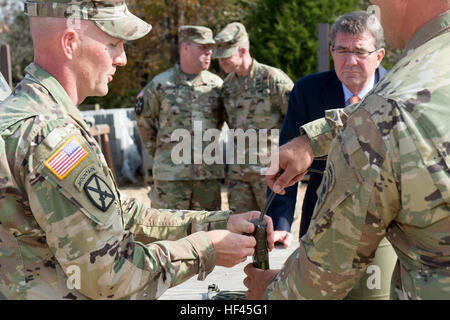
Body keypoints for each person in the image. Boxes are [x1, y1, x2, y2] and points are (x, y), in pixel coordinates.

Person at [0, 0, 275, 300]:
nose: (123, 59)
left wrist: (217, 224)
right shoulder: (52, 138)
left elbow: (118, 214)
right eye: (114, 44)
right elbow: (111, 278)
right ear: (70, 43)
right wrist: (205, 249)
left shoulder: (21, 116)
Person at [244, 0, 450, 300]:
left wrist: (269, 292)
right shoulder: (413, 87)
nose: (374, 4)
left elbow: (317, 284)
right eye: (342, 51)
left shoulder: (392, 104)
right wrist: (313, 140)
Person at [267, 11, 387, 236]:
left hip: (385, 222)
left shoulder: (396, 93)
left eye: (360, 52)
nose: (350, 61)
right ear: (332, 51)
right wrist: (279, 226)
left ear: (379, 56)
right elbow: (286, 162)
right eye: (342, 50)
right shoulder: (307, 91)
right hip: (321, 219)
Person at [135, 26, 226, 211]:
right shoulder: (160, 85)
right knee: (168, 234)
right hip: (170, 179)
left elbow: (221, 122)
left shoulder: (217, 85)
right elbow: (145, 124)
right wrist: (164, 155)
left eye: (210, 48)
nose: (209, 52)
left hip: (206, 179)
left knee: (209, 234)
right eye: (203, 47)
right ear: (185, 47)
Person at [213, 22, 294, 214]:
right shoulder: (228, 86)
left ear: (242, 51)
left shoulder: (272, 80)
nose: (221, 62)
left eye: (226, 57)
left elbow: (296, 121)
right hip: (239, 177)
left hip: (269, 174)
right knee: (242, 234)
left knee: (274, 231)